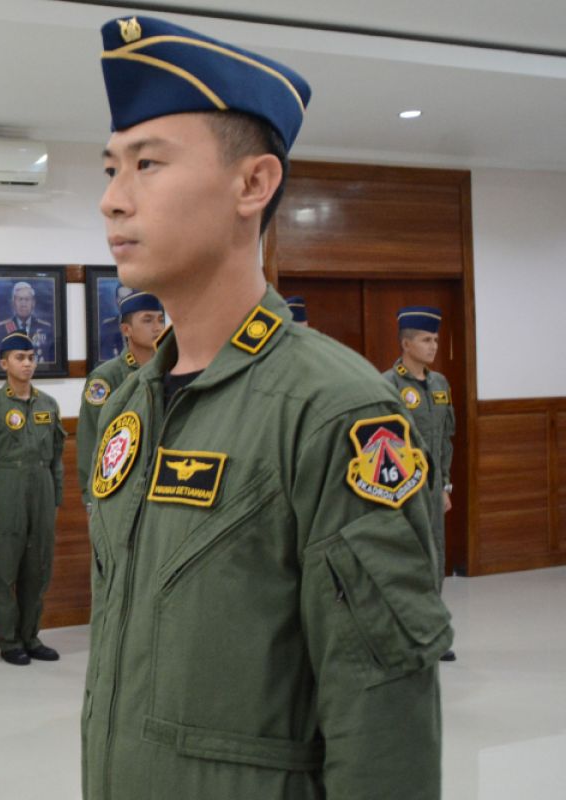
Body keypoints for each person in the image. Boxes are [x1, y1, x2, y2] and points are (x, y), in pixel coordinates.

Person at [82, 15, 452, 799]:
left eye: (147, 164)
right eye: (111, 168)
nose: (113, 201)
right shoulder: (134, 404)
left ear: (253, 185)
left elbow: (382, 706)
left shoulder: (336, 410)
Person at [0, 331, 66, 666]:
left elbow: (57, 456)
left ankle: (31, 636)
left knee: (39, 567)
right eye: (19, 358)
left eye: (31, 357)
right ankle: (8, 641)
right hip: (5, 486)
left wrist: (55, 496)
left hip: (41, 486)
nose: (27, 364)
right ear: (3, 363)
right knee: (4, 568)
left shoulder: (48, 404)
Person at [382, 306, 457, 661]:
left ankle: (432, 633)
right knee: (405, 560)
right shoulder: (388, 384)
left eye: (437, 340)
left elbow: (446, 438)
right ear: (406, 343)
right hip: (402, 490)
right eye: (426, 340)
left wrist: (444, 484)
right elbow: (383, 442)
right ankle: (403, 635)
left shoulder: (440, 383)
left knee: (435, 556)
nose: (434, 346)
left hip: (432, 489)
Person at [77, 291, 166, 510]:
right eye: (147, 320)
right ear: (126, 329)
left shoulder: (171, 370)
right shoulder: (106, 378)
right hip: (120, 487)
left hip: (162, 486)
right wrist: (91, 497)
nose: (157, 327)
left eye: (161, 319)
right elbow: (91, 436)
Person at [0, 281, 55, 363]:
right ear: (13, 303)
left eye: (27, 299)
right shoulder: (1, 329)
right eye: (20, 299)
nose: (23, 304)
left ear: (33, 303)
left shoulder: (46, 328)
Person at [98, 282, 135, 361]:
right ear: (116, 300)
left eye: (127, 298)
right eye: (120, 298)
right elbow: (106, 355)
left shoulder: (145, 325)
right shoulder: (108, 326)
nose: (123, 302)